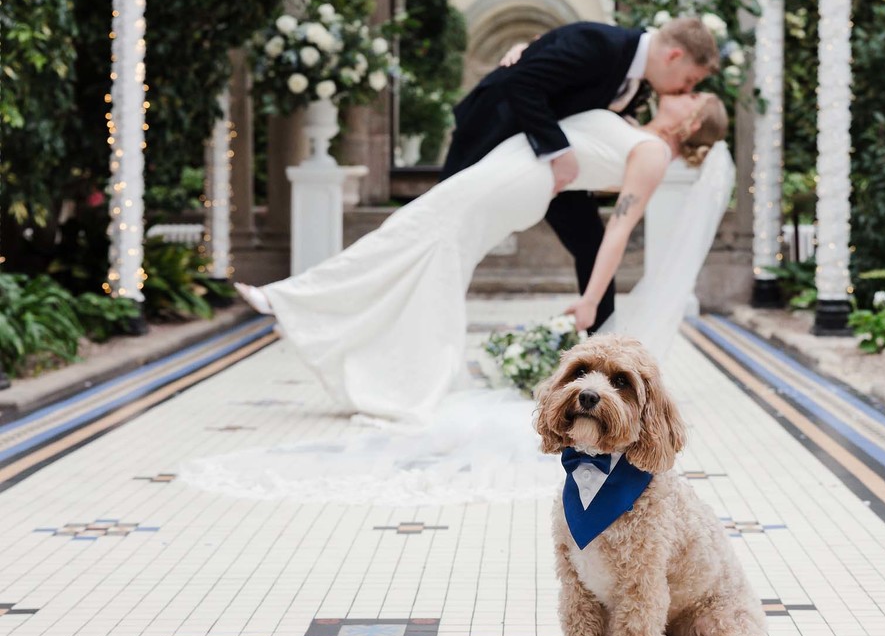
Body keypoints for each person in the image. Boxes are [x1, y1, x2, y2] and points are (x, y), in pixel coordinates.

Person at [235, 94, 728, 424]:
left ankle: (294, 301)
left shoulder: (653, 155)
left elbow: (617, 229)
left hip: (516, 182)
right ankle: (352, 337)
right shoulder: (630, 114)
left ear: (690, 121)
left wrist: (591, 299)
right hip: (511, 168)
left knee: (413, 235)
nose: (683, 89)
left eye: (692, 95)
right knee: (420, 248)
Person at [440, 17, 719, 330]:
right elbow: (522, 82)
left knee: (591, 244)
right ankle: (432, 320)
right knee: (446, 227)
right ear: (674, 57)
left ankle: (602, 345)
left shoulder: (641, 84)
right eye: (691, 81)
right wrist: (558, 152)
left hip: (555, 168)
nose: (687, 89)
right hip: (493, 134)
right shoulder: (598, 42)